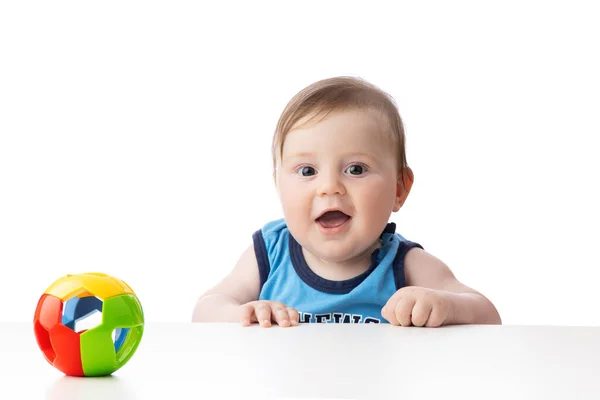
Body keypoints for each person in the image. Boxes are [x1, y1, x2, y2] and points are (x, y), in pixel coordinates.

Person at [192, 76, 501, 328]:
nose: (329, 187)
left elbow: (488, 315)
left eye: (356, 169)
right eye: (307, 171)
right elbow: (206, 309)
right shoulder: (270, 255)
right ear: (278, 185)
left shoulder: (403, 264)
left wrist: (445, 305)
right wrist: (244, 314)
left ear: (399, 188)